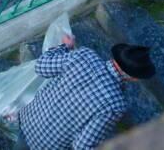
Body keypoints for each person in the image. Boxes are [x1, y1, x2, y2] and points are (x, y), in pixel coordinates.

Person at [15, 36, 156, 150]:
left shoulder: (84, 55)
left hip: (27, 119)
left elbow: (41, 67)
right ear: (134, 78)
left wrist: (65, 47)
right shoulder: (115, 106)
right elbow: (82, 146)